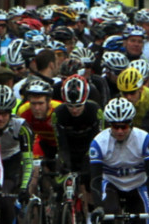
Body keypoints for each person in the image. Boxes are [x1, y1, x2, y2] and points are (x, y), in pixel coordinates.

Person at [89, 98, 149, 224]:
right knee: (108, 216)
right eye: (115, 127)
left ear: (131, 124)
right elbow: (95, 179)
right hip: (112, 185)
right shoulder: (99, 143)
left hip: (138, 185)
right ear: (109, 125)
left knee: (145, 220)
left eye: (124, 126)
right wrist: (98, 206)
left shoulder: (144, 140)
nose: (120, 131)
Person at [0, 85, 34, 224]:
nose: (0, 118)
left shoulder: (21, 127)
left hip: (11, 163)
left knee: (4, 198)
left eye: (4, 114)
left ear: (11, 113)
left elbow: (28, 161)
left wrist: (24, 187)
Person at [53, 75, 101, 217]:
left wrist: (88, 165)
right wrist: (64, 164)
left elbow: (98, 142)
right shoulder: (58, 114)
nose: (74, 110)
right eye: (70, 106)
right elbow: (61, 144)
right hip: (69, 148)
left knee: (90, 183)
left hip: (89, 149)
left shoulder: (95, 111)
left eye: (79, 106)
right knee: (60, 183)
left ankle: (93, 215)